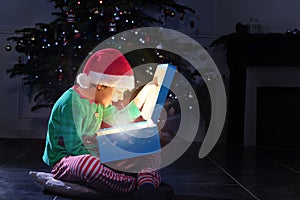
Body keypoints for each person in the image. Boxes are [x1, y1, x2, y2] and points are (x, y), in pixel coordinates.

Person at [42, 48, 164, 198]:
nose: (118, 98)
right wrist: (108, 159)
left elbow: (118, 119)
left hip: (98, 154)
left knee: (150, 147)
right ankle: (132, 184)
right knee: (89, 165)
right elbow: (73, 148)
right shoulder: (72, 103)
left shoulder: (100, 101)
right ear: (100, 85)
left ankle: (147, 184)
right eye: (117, 91)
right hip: (66, 161)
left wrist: (140, 99)